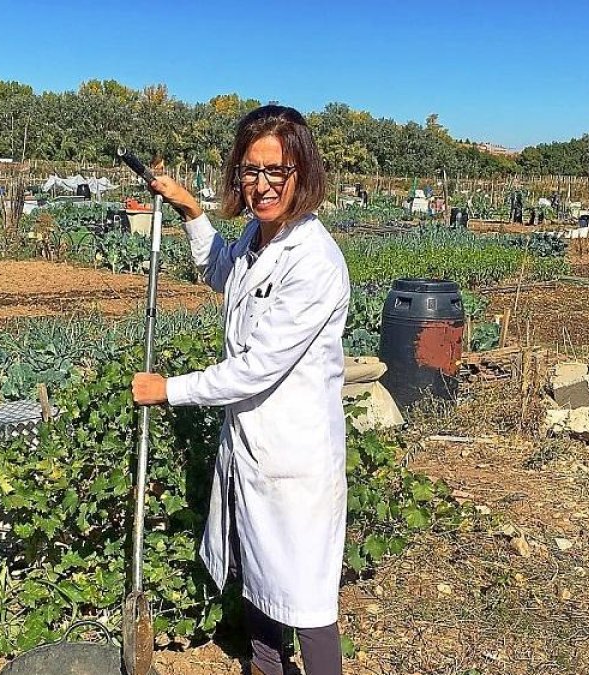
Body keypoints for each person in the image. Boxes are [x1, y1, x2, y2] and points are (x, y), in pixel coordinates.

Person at [132, 105, 350, 675]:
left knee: (305, 597)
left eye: (277, 171)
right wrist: (190, 210)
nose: (262, 185)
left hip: (293, 452)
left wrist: (169, 390)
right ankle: (265, 667)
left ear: (303, 171)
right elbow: (224, 273)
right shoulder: (258, 236)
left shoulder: (315, 261)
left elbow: (256, 368)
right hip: (253, 443)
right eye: (251, 171)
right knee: (260, 577)